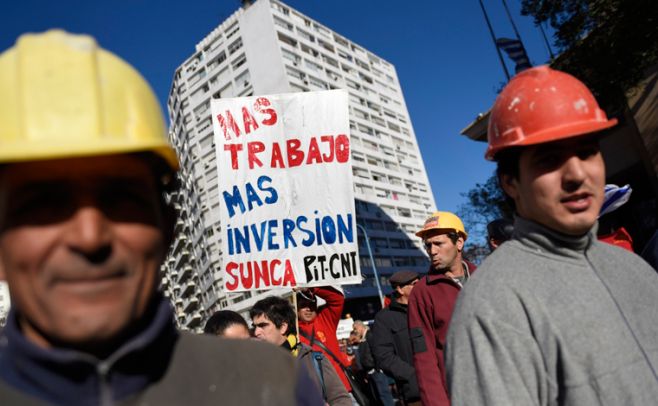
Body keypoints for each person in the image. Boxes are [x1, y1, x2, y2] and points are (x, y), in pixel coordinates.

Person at [0, 30, 321, 405]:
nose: (89, 236)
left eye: (122, 198)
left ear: (167, 226)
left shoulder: (273, 383)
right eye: (43, 205)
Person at [446, 65, 658, 405]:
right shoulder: (492, 308)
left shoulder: (635, 269)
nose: (576, 174)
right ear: (509, 182)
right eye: (549, 160)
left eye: (587, 151)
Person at [407, 211, 475, 406]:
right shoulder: (421, 292)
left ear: (459, 242)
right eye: (428, 245)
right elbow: (424, 358)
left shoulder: (484, 276)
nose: (432, 251)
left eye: (438, 243)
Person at [250, 296, 351, 406]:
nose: (256, 332)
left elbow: (340, 398)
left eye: (262, 325)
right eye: (255, 326)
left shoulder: (314, 359)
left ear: (283, 327)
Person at [370, 271, 421, 405]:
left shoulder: (425, 307)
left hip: (445, 384)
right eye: (414, 284)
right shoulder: (384, 318)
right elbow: (383, 356)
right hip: (416, 393)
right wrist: (413, 375)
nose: (420, 286)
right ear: (399, 289)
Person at [297, 287, 351, 392]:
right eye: (303, 306)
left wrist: (312, 288)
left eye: (312, 305)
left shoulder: (325, 319)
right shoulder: (291, 330)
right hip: (314, 393)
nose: (309, 309)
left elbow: (338, 299)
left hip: (340, 388)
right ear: (297, 309)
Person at [353, 321, 394, 406]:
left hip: (376, 372)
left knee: (384, 396)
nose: (355, 331)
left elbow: (376, 352)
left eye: (355, 328)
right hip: (370, 374)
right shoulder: (363, 339)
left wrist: (378, 369)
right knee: (377, 397)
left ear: (360, 326)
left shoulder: (370, 335)